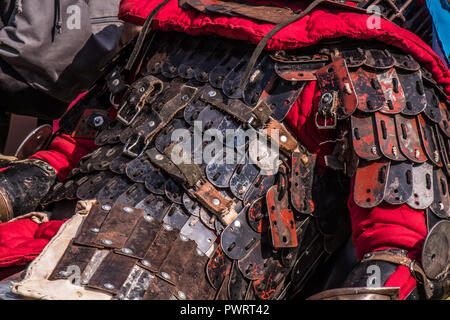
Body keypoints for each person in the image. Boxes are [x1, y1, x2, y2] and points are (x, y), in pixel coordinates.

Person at [1, 0, 450, 300]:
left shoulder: (374, 69)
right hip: (40, 254)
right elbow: (64, 156)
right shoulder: (169, 30)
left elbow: (403, 251)